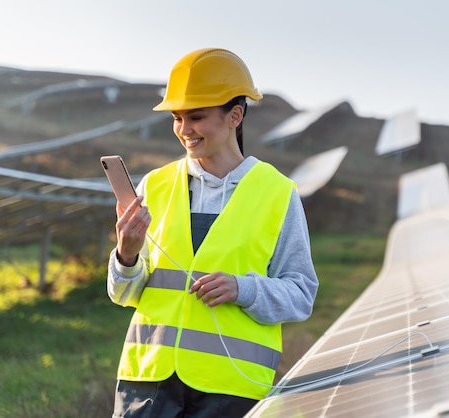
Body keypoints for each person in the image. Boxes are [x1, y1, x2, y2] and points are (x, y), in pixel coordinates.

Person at [107, 47, 319, 418]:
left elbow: (301, 293)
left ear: (235, 115)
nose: (184, 130)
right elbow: (123, 294)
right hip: (147, 382)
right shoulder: (154, 185)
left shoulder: (277, 192)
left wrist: (244, 289)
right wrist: (126, 254)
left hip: (232, 390)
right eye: (177, 118)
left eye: (197, 117)